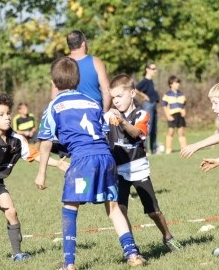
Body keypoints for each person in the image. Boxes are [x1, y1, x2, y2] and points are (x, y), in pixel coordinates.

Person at [36, 57, 145, 270]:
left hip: (83, 163)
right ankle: (133, 255)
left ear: (55, 83)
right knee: (113, 208)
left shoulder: (54, 106)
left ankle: (69, 264)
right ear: (78, 80)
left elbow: (46, 142)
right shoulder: (91, 102)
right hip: (105, 159)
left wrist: (42, 173)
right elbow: (103, 132)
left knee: (70, 207)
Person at [0, 93, 68, 265]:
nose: (7, 117)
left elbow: (34, 154)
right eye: (1, 115)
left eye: (8, 113)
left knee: (11, 212)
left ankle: (17, 254)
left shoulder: (16, 139)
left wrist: (57, 164)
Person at [105, 74, 183, 252]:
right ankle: (131, 247)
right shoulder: (109, 115)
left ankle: (168, 236)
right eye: (113, 97)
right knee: (120, 210)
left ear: (132, 93)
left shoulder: (141, 114)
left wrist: (122, 121)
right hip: (118, 171)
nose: (116, 101)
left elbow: (135, 133)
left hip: (138, 168)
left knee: (153, 211)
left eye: (120, 96)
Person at [64, 29, 111, 112]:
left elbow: (54, 95)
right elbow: (106, 91)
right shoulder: (96, 62)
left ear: (69, 46)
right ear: (83, 44)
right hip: (93, 111)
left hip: (69, 112)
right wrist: (105, 112)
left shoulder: (61, 64)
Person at [136, 61, 159, 154]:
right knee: (147, 128)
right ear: (147, 70)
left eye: (155, 69)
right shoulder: (145, 81)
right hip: (148, 105)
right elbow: (136, 89)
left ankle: (154, 149)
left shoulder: (151, 81)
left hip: (154, 105)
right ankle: (145, 150)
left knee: (154, 129)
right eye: (153, 69)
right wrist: (144, 96)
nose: (155, 71)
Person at [161, 75, 187, 154]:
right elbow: (164, 105)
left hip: (180, 115)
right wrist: (168, 115)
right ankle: (168, 149)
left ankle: (184, 149)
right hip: (172, 115)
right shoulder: (167, 94)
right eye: (176, 83)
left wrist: (184, 111)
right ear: (171, 84)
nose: (178, 84)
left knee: (181, 132)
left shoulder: (181, 94)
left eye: (178, 83)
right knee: (171, 132)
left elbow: (184, 104)